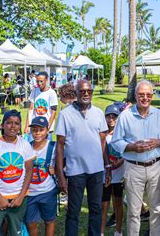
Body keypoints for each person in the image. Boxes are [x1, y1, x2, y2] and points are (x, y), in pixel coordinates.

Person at [111, 80, 160, 235]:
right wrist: (132, 147)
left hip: (155, 166)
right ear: (135, 95)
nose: (145, 98)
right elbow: (116, 141)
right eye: (141, 95)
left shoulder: (159, 114)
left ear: (152, 95)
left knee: (156, 209)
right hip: (133, 166)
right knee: (133, 211)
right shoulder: (125, 116)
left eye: (148, 95)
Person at [54, 79, 109, 236]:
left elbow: (103, 141)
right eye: (82, 91)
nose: (86, 94)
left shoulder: (98, 113)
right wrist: (60, 175)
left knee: (96, 209)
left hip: (97, 171)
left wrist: (108, 166)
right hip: (75, 171)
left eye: (89, 91)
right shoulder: (65, 114)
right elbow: (59, 145)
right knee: (73, 212)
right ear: (76, 93)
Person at [0, 110, 35, 236]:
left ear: (20, 126)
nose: (12, 126)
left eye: (16, 123)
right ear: (3, 125)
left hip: (18, 199)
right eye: (9, 123)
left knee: (15, 231)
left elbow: (29, 171)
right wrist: (0, 199)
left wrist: (21, 197)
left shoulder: (24, 144)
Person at [24, 116, 57, 236]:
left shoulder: (53, 147)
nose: (37, 133)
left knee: (49, 220)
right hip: (30, 192)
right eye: (34, 130)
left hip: (47, 191)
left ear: (47, 130)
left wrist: (57, 171)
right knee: (30, 223)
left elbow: (64, 163)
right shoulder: (26, 147)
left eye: (41, 130)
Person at [101, 104, 124, 236]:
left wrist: (121, 160)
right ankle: (101, 231)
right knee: (104, 204)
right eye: (108, 116)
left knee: (118, 203)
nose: (111, 119)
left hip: (119, 174)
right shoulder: (102, 134)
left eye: (114, 116)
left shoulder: (122, 134)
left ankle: (118, 231)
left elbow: (126, 153)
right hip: (105, 175)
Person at [24, 71, 58, 137]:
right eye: (37, 81)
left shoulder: (52, 93)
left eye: (41, 81)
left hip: (46, 127)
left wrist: (48, 128)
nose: (39, 83)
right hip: (34, 126)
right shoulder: (34, 91)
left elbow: (53, 112)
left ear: (46, 80)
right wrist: (27, 126)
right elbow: (31, 109)